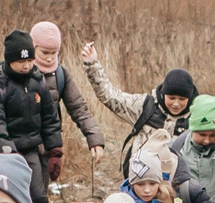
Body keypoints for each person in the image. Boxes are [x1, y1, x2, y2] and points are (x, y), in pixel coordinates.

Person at [77, 41, 198, 176]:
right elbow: (110, 96)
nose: (176, 104)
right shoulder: (145, 106)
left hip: (177, 182)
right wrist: (92, 64)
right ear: (163, 94)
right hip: (139, 180)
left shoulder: (197, 116)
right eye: (171, 98)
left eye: (182, 99)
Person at [0, 31, 60, 203]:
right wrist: (5, 148)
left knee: (39, 197)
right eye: (21, 61)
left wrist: (55, 151)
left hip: (31, 150)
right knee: (11, 199)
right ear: (10, 60)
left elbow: (50, 118)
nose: (26, 65)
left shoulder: (39, 82)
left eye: (29, 60)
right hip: (7, 153)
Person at [28, 20, 107, 187]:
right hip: (18, 146)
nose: (50, 58)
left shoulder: (61, 75)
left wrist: (95, 138)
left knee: (40, 198)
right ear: (32, 47)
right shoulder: (19, 72)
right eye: (44, 52)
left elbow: (79, 108)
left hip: (47, 146)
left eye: (54, 52)